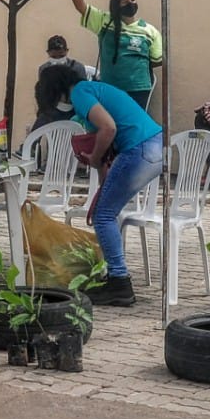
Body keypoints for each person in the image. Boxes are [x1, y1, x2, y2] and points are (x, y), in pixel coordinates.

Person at [47, 66, 163, 307]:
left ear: (56, 88)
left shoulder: (80, 91)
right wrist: (101, 176)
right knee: (105, 211)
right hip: (154, 146)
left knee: (103, 216)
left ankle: (119, 282)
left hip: (139, 148)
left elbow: (109, 128)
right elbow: (104, 146)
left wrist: (96, 158)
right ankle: (114, 276)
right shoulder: (96, 92)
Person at [63, 0, 163, 108]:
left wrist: (135, 65)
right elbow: (81, 7)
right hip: (110, 87)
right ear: (116, 6)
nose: (131, 3)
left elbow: (158, 59)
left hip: (139, 89)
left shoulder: (149, 31)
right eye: (126, 1)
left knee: (133, 126)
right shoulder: (104, 21)